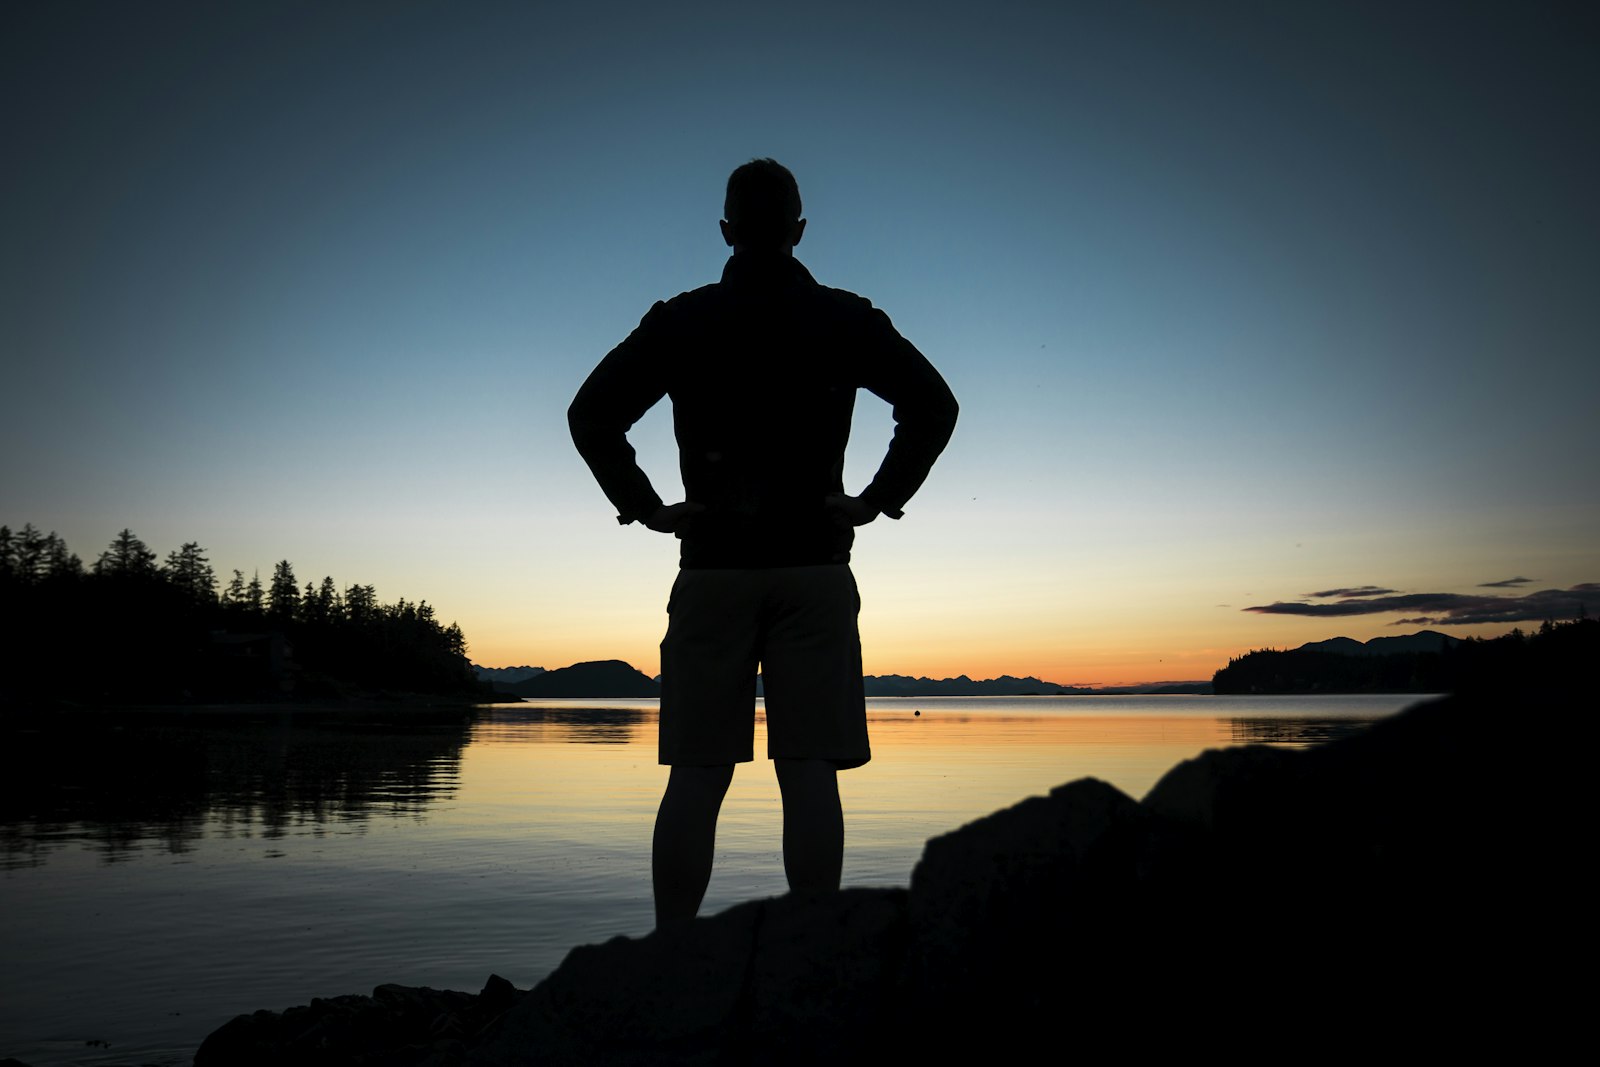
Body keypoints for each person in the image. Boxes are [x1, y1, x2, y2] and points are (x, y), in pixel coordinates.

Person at [569, 158, 958, 927]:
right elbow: (933, 405)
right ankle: (810, 954)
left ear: (725, 232)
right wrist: (876, 501)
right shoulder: (843, 318)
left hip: (713, 567)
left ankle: (672, 955)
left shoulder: (682, 321)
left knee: (697, 771)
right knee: (809, 767)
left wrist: (647, 508)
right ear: (799, 231)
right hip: (814, 565)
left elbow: (592, 414)